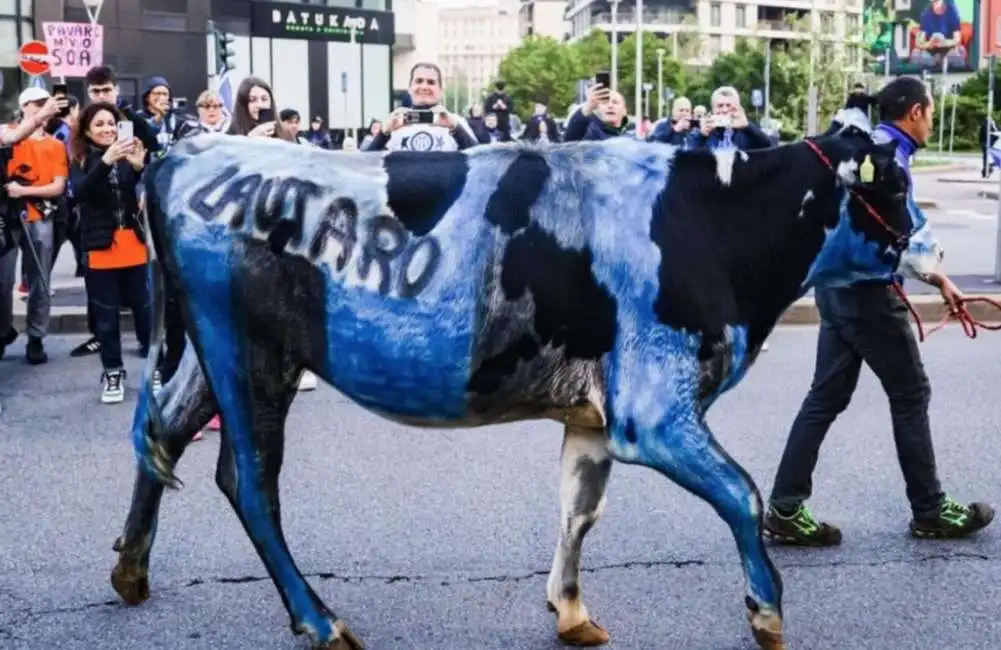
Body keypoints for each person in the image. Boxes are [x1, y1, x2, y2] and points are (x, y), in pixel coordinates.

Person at [763, 76, 995, 545]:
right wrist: (938, 276)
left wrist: (939, 281)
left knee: (825, 398)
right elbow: (906, 238)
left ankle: (785, 507)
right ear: (915, 113)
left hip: (833, 289)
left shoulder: (856, 145)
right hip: (870, 295)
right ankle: (930, 510)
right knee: (911, 394)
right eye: (930, 111)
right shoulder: (889, 161)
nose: (931, 119)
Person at [70, 102, 154, 403]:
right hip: (100, 247)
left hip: (133, 243)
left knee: (145, 311)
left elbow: (141, 197)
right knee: (106, 318)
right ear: (88, 131)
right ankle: (113, 371)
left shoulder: (129, 153)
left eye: (111, 123)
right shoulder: (81, 159)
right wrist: (106, 160)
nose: (107, 129)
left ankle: (155, 368)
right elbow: (80, 193)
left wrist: (138, 168)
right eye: (100, 125)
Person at [0, 88, 68, 364]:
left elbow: (58, 186)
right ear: (24, 106)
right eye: (37, 104)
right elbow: (13, 137)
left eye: (46, 103)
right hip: (7, 218)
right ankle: (3, 332)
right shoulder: (7, 131)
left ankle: (36, 337)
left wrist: (24, 192)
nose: (45, 108)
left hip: (40, 216)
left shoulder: (54, 144)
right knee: (3, 281)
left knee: (39, 280)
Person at [361, 63, 477, 152]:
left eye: (431, 82)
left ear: (441, 91)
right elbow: (367, 165)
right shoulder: (394, 123)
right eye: (419, 81)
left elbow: (480, 160)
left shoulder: (456, 122)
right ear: (410, 88)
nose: (424, 86)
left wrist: (456, 129)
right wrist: (384, 134)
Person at [563, 82, 629, 141]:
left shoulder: (631, 135)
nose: (610, 106)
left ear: (624, 111)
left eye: (615, 102)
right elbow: (570, 141)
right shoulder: (591, 132)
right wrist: (587, 108)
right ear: (599, 108)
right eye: (605, 102)